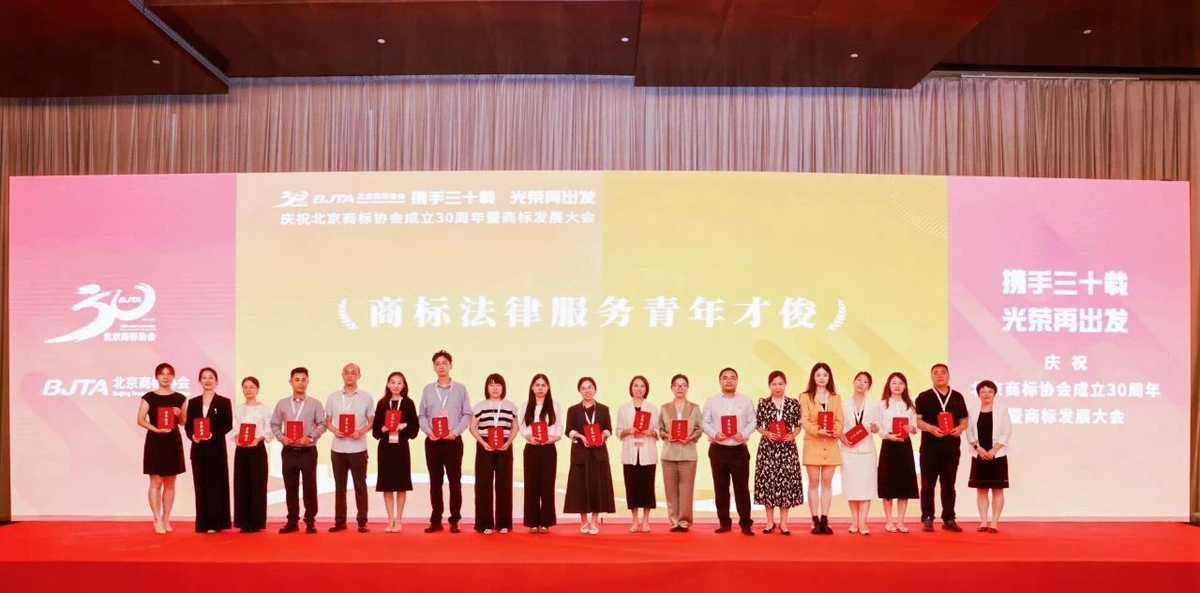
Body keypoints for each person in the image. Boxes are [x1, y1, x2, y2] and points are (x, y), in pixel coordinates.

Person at [418, 350, 473, 533]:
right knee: (435, 482)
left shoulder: (460, 389)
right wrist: (428, 431)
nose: (441, 367)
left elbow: (467, 414)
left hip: (452, 441)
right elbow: (422, 415)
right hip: (433, 441)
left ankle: (454, 519)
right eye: (437, 364)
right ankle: (436, 520)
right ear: (433, 367)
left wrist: (455, 432)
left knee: (454, 481)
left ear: (450, 365)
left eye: (444, 363)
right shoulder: (428, 389)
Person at [270, 367, 326, 534]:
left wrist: (310, 437)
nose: (300, 383)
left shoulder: (315, 403)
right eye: (297, 380)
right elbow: (274, 424)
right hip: (289, 451)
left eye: (303, 380)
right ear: (290, 382)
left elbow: (322, 424)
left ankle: (310, 521)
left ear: (308, 382)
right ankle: (292, 521)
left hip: (308, 451)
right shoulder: (282, 404)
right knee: (291, 488)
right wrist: (281, 437)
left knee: (310, 487)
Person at [701, 367, 756, 536]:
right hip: (718, 449)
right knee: (721, 488)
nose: (729, 380)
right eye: (725, 378)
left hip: (739, 450)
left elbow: (753, 421)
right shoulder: (711, 401)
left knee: (742, 488)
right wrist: (714, 433)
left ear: (737, 381)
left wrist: (743, 434)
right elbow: (704, 422)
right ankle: (724, 522)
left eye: (732, 377)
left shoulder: (746, 400)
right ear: (720, 381)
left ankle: (745, 523)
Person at [915, 363, 969, 532]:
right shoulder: (924, 397)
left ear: (948, 376)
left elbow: (964, 420)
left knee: (949, 485)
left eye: (943, 372)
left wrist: (960, 429)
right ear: (931, 377)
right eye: (936, 373)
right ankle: (928, 518)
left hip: (951, 449)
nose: (939, 375)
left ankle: (949, 519)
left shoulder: (958, 396)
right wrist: (931, 428)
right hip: (929, 449)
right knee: (927, 485)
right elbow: (917, 421)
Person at [136, 362, 186, 534]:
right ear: (156, 377)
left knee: (170, 483)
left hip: (173, 441)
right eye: (162, 374)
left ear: (173, 377)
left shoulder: (180, 398)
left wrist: (180, 414)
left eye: (169, 374)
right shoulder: (149, 397)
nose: (165, 377)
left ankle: (166, 518)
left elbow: (183, 422)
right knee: (155, 482)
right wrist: (156, 429)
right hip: (155, 441)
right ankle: (156, 518)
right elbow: (140, 419)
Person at [324, 362, 375, 533]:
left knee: (360, 486)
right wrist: (334, 430)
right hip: (338, 449)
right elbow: (327, 421)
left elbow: (372, 421)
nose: (349, 375)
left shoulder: (366, 397)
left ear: (359, 375)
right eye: (346, 372)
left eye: (353, 372)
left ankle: (362, 521)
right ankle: (340, 521)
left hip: (358, 449)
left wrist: (360, 432)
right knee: (340, 486)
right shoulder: (333, 397)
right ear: (342, 375)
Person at [563, 376, 615, 534]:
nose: (587, 391)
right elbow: (568, 431)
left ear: (595, 389)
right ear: (579, 391)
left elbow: (608, 429)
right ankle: (584, 520)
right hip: (580, 454)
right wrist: (580, 436)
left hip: (598, 454)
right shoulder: (573, 410)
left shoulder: (603, 409)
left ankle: (594, 521)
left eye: (590, 387)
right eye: (583, 388)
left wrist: (603, 435)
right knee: (580, 487)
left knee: (597, 487)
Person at [753, 370, 802, 535]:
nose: (777, 387)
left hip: (787, 449)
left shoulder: (793, 403)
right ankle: (769, 522)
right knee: (768, 483)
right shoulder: (763, 403)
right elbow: (757, 424)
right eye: (774, 384)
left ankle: (784, 523)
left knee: (785, 484)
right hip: (768, 448)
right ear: (769, 386)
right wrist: (767, 433)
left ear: (785, 384)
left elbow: (798, 425)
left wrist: (793, 435)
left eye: (780, 383)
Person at [469, 373, 519, 534]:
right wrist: (482, 442)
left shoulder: (510, 406)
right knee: (483, 484)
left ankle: (504, 523)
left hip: (504, 446)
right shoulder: (480, 406)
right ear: (487, 388)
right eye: (491, 385)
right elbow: (472, 427)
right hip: (485, 446)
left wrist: (508, 442)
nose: (495, 388)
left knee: (504, 484)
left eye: (498, 385)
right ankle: (485, 524)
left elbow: (515, 427)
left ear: (503, 388)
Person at [185, 367, 233, 533]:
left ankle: (216, 523)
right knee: (200, 487)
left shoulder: (224, 402)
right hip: (198, 451)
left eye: (211, 377)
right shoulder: (193, 402)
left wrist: (213, 433)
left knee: (216, 486)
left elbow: (227, 424)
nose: (207, 380)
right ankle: (202, 524)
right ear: (200, 381)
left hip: (216, 450)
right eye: (204, 377)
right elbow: (188, 426)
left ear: (216, 381)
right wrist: (193, 436)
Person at [372, 371, 419, 533]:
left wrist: (404, 426)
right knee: (386, 486)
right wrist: (383, 428)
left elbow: (415, 428)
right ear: (388, 384)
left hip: (401, 448)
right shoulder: (382, 403)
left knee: (401, 485)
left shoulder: (408, 403)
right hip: (385, 449)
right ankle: (390, 519)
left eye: (399, 383)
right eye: (393, 382)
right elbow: (375, 431)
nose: (396, 386)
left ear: (404, 385)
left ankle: (399, 519)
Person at [800, 362, 844, 535]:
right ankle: (815, 520)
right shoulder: (805, 396)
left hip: (831, 444)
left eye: (825, 375)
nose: (821, 378)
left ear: (829, 377)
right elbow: (804, 420)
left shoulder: (835, 397)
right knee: (813, 482)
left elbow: (839, 420)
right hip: (813, 443)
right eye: (818, 375)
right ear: (813, 377)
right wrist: (818, 431)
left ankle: (825, 519)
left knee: (827, 482)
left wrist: (836, 431)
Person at [518, 373, 563, 533]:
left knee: (547, 486)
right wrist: (527, 436)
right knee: (531, 486)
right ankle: (532, 522)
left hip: (548, 449)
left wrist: (554, 437)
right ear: (532, 387)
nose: (540, 388)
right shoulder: (526, 405)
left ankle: (546, 522)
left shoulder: (555, 405)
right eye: (537, 385)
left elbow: (559, 426)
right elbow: (522, 426)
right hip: (531, 449)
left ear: (548, 388)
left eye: (543, 385)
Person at [658, 373, 702, 532]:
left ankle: (684, 521)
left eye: (683, 385)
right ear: (671, 388)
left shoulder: (694, 408)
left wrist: (691, 437)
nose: (680, 388)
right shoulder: (664, 408)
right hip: (669, 454)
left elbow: (699, 429)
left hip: (688, 454)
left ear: (687, 388)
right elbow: (660, 429)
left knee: (686, 490)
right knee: (671, 491)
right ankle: (674, 521)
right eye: (676, 385)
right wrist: (666, 435)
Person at [966, 380, 1011, 533]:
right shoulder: (972, 410)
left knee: (997, 490)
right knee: (981, 490)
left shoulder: (1002, 410)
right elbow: (969, 432)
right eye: (983, 392)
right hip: (979, 454)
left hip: (997, 455)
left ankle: (994, 523)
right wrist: (978, 448)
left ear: (994, 394)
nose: (986, 394)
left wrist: (993, 451)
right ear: (978, 394)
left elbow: (1006, 432)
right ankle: (983, 522)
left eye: (990, 391)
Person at [877, 372, 920, 533]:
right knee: (888, 483)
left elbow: (915, 428)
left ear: (905, 386)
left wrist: (911, 428)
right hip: (889, 444)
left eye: (901, 383)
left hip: (904, 445)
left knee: (904, 484)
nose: (897, 386)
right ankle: (889, 521)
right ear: (889, 385)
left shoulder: (910, 405)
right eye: (894, 383)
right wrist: (887, 435)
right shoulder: (881, 404)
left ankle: (901, 521)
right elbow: (877, 425)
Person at [615, 375, 659, 533]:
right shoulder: (623, 408)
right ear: (631, 388)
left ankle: (646, 520)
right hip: (630, 453)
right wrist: (628, 430)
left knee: (647, 487)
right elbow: (618, 431)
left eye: (642, 386)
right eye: (636, 385)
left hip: (647, 452)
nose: (639, 388)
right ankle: (634, 520)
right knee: (631, 487)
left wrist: (651, 431)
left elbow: (659, 430)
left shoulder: (652, 408)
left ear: (646, 389)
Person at [230, 376, 272, 533]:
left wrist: (259, 438)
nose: (248, 390)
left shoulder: (265, 409)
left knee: (257, 485)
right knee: (241, 485)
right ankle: (243, 522)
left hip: (257, 449)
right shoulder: (238, 409)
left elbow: (269, 429)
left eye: (252, 387)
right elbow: (234, 428)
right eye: (245, 387)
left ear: (258, 389)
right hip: (241, 450)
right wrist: (236, 437)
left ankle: (256, 522)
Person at [840, 371, 880, 535]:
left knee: (865, 487)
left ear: (868, 387)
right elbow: (839, 425)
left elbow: (877, 426)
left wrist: (876, 428)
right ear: (853, 382)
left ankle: (863, 522)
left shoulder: (873, 405)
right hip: (848, 450)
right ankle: (854, 521)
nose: (861, 383)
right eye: (858, 380)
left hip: (867, 451)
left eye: (865, 382)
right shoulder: (843, 404)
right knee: (852, 487)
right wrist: (842, 438)